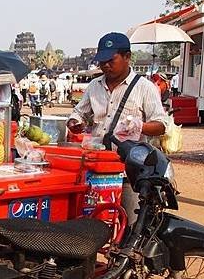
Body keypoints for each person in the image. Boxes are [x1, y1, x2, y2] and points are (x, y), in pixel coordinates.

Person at [67, 32, 166, 224]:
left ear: (127, 57)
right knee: (94, 223)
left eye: (111, 60)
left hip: (130, 170)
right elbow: (78, 113)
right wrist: (74, 123)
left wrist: (140, 126)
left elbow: (161, 125)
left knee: (132, 225)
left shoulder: (144, 87)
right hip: (99, 169)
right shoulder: (94, 86)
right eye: (102, 61)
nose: (105, 65)